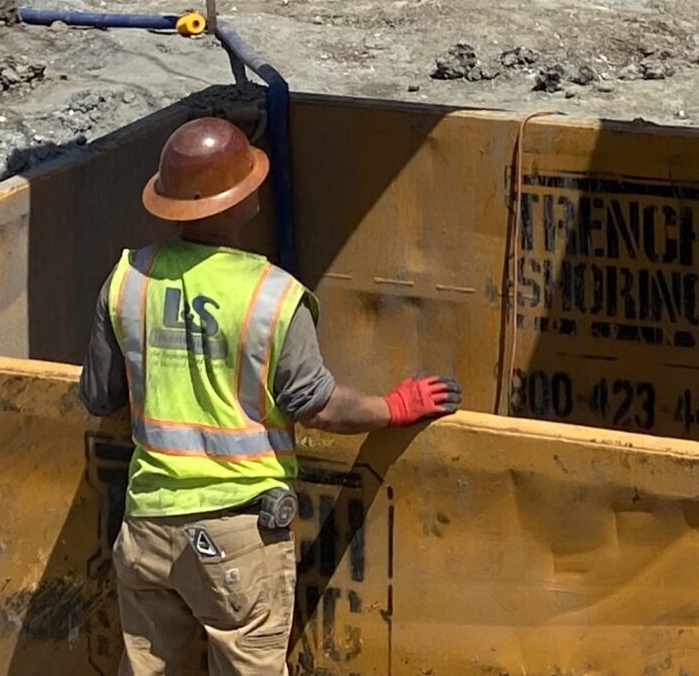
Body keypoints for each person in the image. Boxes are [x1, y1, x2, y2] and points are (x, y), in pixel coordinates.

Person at [80, 116, 458, 675]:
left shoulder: (128, 279)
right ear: (234, 203)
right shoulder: (272, 296)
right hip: (237, 534)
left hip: (147, 528)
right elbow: (316, 403)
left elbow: (98, 395)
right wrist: (392, 407)